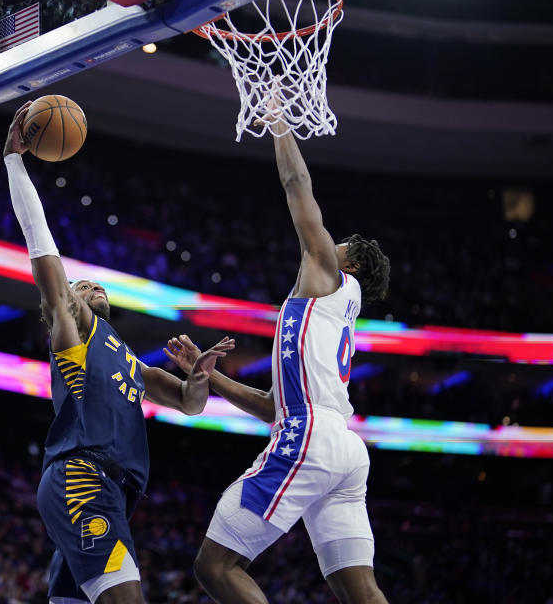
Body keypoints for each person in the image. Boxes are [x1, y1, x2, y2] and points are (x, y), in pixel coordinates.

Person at [2, 101, 234, 604]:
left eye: (94, 284)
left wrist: (198, 376)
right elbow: (44, 258)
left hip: (111, 492)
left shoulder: (130, 360)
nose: (91, 285)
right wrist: (15, 163)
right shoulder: (75, 339)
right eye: (82, 286)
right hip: (82, 479)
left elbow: (192, 405)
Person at [164, 117, 391, 604]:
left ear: (346, 264)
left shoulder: (326, 273)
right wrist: (210, 377)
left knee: (215, 565)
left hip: (309, 436)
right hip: (342, 448)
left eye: (339, 245)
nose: (329, 243)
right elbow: (272, 407)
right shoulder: (338, 311)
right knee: (360, 589)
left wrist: (278, 122)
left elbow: (296, 184)